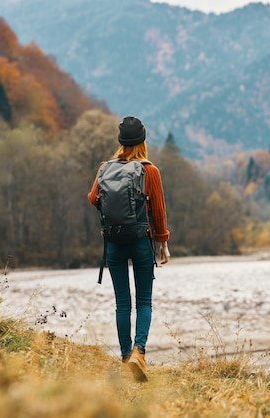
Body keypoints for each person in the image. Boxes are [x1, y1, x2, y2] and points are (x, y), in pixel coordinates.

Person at [87, 116, 170, 382]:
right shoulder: (149, 171)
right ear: (142, 142)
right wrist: (163, 243)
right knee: (144, 301)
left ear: (121, 142)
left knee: (122, 303)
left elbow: (92, 198)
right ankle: (139, 353)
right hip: (141, 240)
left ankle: (125, 359)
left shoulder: (104, 169)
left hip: (113, 242)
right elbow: (158, 210)